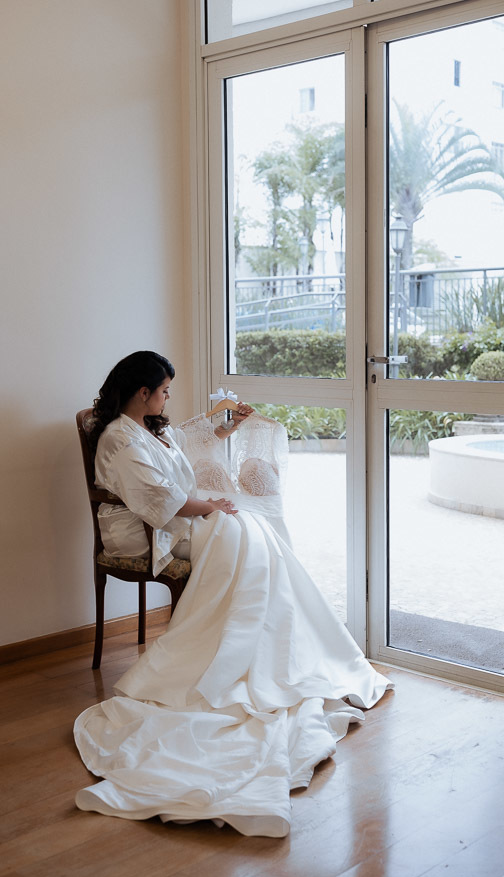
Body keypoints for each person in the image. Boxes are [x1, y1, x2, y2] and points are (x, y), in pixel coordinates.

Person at [74, 351, 392, 838]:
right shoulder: (119, 436)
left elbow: (180, 444)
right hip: (143, 531)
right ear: (142, 392)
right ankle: (246, 652)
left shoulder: (147, 427)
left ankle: (267, 648)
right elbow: (158, 499)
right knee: (238, 527)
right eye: (162, 392)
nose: (166, 401)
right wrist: (212, 505)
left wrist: (224, 427)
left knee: (249, 530)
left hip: (177, 518)